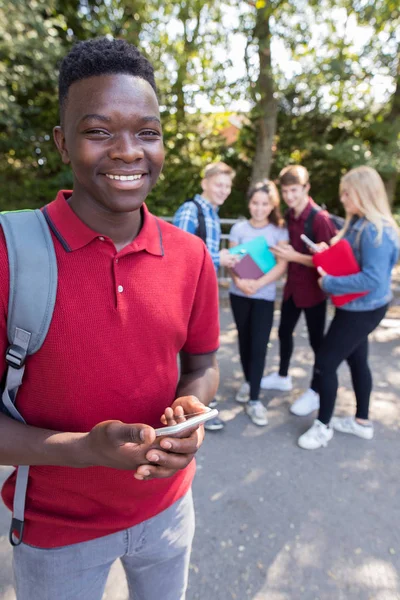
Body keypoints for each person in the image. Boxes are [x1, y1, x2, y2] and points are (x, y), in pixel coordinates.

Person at [0, 38, 220, 600]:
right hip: (57, 530)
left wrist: (191, 411)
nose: (128, 151)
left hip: (170, 510)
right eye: (99, 131)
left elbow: (203, 362)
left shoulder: (190, 254)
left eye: (147, 132)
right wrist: (85, 450)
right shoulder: (10, 253)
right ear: (62, 142)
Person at [298, 166, 400, 450]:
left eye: (347, 192)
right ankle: (361, 422)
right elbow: (351, 259)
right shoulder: (360, 223)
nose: (342, 198)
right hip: (357, 307)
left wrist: (329, 282)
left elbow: (372, 278)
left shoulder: (375, 231)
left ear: (363, 194)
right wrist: (326, 254)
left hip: (362, 309)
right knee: (357, 361)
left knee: (326, 363)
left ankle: (323, 426)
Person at [261, 165, 336, 416]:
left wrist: (296, 256)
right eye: (285, 191)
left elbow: (329, 261)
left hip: (314, 292)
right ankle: (283, 376)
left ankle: (315, 391)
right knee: (284, 332)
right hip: (293, 288)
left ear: (306, 188)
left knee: (317, 344)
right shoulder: (290, 216)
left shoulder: (320, 218)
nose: (289, 196)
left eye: (294, 190)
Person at [173, 161, 237, 432]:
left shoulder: (212, 213)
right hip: (185, 295)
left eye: (228, 186)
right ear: (205, 183)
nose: (223, 190)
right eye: (219, 184)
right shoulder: (191, 210)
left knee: (203, 355)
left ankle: (197, 408)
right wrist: (218, 257)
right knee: (190, 358)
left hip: (203, 294)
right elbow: (179, 255)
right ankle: (182, 413)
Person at [229, 181, 288, 426]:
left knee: (259, 344)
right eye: (255, 203)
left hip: (264, 297)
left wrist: (259, 283)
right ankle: (248, 380)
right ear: (249, 203)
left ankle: (254, 399)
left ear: (272, 205)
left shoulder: (279, 231)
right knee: (244, 340)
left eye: (265, 203)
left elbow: (282, 264)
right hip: (239, 293)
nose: (259, 208)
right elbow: (231, 260)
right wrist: (240, 282)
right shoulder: (238, 228)